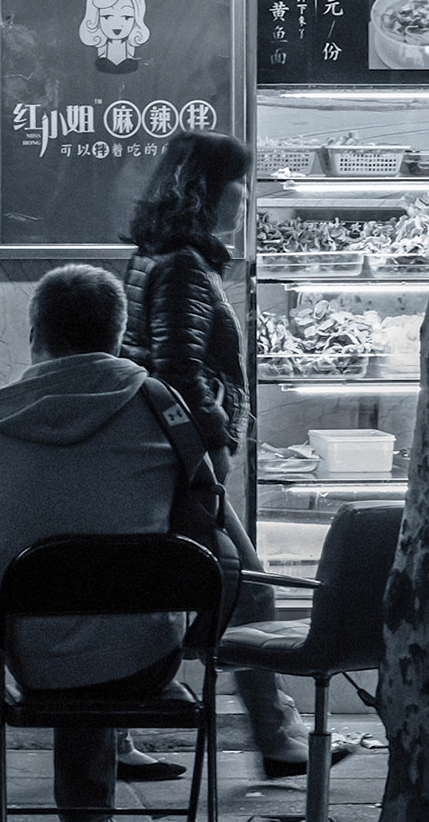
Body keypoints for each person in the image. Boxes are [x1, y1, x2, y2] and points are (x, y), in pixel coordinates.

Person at [0, 264, 189, 822]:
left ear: (36, 333)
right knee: (108, 611)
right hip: (147, 657)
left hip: (28, 652)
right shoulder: (161, 405)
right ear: (119, 333)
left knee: (63, 612)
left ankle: (86, 820)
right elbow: (203, 515)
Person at [121, 130, 330, 781]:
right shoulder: (184, 266)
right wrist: (214, 440)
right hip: (184, 462)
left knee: (194, 591)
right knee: (246, 588)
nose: (248, 196)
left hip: (161, 455)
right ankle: (278, 740)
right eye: (242, 182)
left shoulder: (155, 256)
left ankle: (122, 734)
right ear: (212, 189)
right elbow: (179, 367)